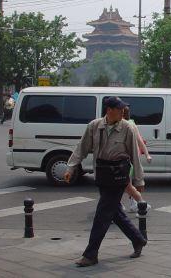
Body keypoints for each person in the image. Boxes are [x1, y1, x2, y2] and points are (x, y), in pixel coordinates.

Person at [64, 96, 147, 267]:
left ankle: (91, 254)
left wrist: (139, 179)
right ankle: (138, 239)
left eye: (124, 109)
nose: (123, 111)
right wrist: (71, 167)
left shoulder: (127, 128)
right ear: (109, 110)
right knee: (114, 212)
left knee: (102, 215)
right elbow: (82, 148)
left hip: (118, 175)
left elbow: (134, 155)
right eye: (120, 109)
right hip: (102, 174)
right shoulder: (95, 126)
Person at [122, 106, 152, 213]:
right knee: (127, 183)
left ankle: (133, 203)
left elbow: (139, 140)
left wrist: (147, 154)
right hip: (125, 159)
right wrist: (147, 154)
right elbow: (140, 140)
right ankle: (135, 203)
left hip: (131, 159)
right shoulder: (121, 124)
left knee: (131, 183)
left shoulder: (131, 124)